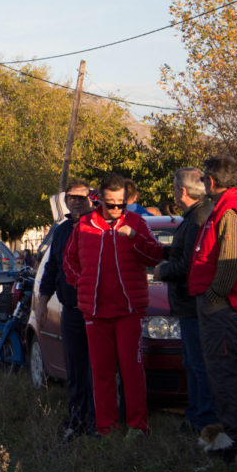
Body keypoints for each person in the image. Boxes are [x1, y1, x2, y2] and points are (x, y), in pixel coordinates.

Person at [64, 173, 164, 438]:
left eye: (121, 204)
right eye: (111, 204)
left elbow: (154, 255)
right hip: (95, 311)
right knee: (102, 372)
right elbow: (69, 261)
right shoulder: (84, 225)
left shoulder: (137, 222)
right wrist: (81, 282)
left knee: (132, 370)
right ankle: (106, 427)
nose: (117, 209)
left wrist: (134, 237)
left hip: (128, 310)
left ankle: (137, 426)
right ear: (100, 200)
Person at [189, 154, 237, 459]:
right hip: (219, 305)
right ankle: (234, 439)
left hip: (220, 307)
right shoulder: (230, 205)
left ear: (212, 180)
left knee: (224, 373)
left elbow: (231, 261)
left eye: (204, 177)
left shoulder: (230, 210)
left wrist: (213, 296)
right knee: (221, 372)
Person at [155, 168, 217, 434]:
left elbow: (190, 264)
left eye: (174, 188)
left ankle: (202, 418)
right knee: (193, 363)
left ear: (182, 191)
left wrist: (163, 270)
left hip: (193, 303)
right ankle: (196, 414)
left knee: (198, 364)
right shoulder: (198, 216)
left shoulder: (196, 220)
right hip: (192, 302)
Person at [36, 180, 97, 441]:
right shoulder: (61, 231)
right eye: (72, 198)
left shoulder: (99, 228)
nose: (76, 202)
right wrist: (41, 303)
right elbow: (51, 269)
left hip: (95, 311)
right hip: (69, 309)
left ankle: (97, 422)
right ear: (65, 200)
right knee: (74, 368)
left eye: (82, 198)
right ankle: (76, 419)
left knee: (96, 370)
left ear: (91, 200)